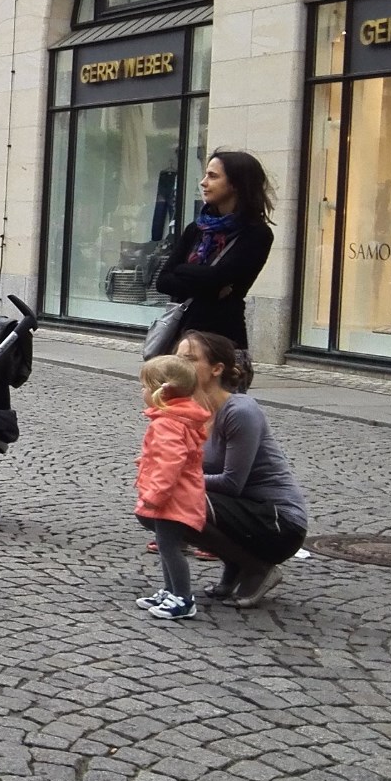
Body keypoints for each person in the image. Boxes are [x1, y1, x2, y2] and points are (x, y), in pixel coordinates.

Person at [177, 330, 308, 608]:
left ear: (216, 369)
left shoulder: (240, 410)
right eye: (177, 359)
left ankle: (258, 568)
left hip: (278, 523)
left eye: (189, 359)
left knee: (177, 498)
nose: (179, 366)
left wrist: (178, 478)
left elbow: (232, 483)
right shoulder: (190, 410)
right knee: (154, 504)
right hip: (240, 512)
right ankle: (236, 566)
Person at [157, 151, 275, 359]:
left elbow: (218, 277)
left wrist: (182, 270)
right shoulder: (197, 229)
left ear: (236, 183)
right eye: (206, 175)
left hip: (223, 343)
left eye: (213, 176)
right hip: (182, 339)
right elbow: (163, 281)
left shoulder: (256, 233)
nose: (203, 183)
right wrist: (208, 284)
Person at [131, 355, 212, 621]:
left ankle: (183, 598)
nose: (141, 391)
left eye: (144, 386)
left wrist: (155, 494)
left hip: (173, 499)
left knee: (169, 547)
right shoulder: (179, 418)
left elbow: (170, 462)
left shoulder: (167, 422)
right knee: (168, 545)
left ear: (160, 391)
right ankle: (170, 590)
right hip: (180, 496)